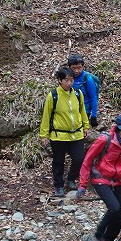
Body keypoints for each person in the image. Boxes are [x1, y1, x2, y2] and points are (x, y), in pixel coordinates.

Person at [78, 114, 121, 241]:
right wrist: (82, 184)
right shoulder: (104, 140)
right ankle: (97, 235)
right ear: (118, 129)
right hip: (101, 179)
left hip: (118, 180)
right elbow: (87, 160)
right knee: (114, 208)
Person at [39, 67, 88, 197]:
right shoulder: (53, 95)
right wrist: (44, 135)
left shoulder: (77, 94)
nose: (69, 83)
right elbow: (46, 116)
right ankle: (58, 185)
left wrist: (86, 126)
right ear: (60, 80)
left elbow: (82, 111)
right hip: (59, 135)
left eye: (71, 80)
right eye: (66, 80)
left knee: (79, 158)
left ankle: (71, 179)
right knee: (58, 161)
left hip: (76, 134)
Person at [67, 53, 100, 128]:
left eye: (79, 68)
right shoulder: (67, 78)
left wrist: (94, 116)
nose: (76, 71)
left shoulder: (87, 79)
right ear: (69, 67)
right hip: (70, 109)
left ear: (83, 67)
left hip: (85, 111)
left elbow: (93, 98)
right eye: (73, 68)